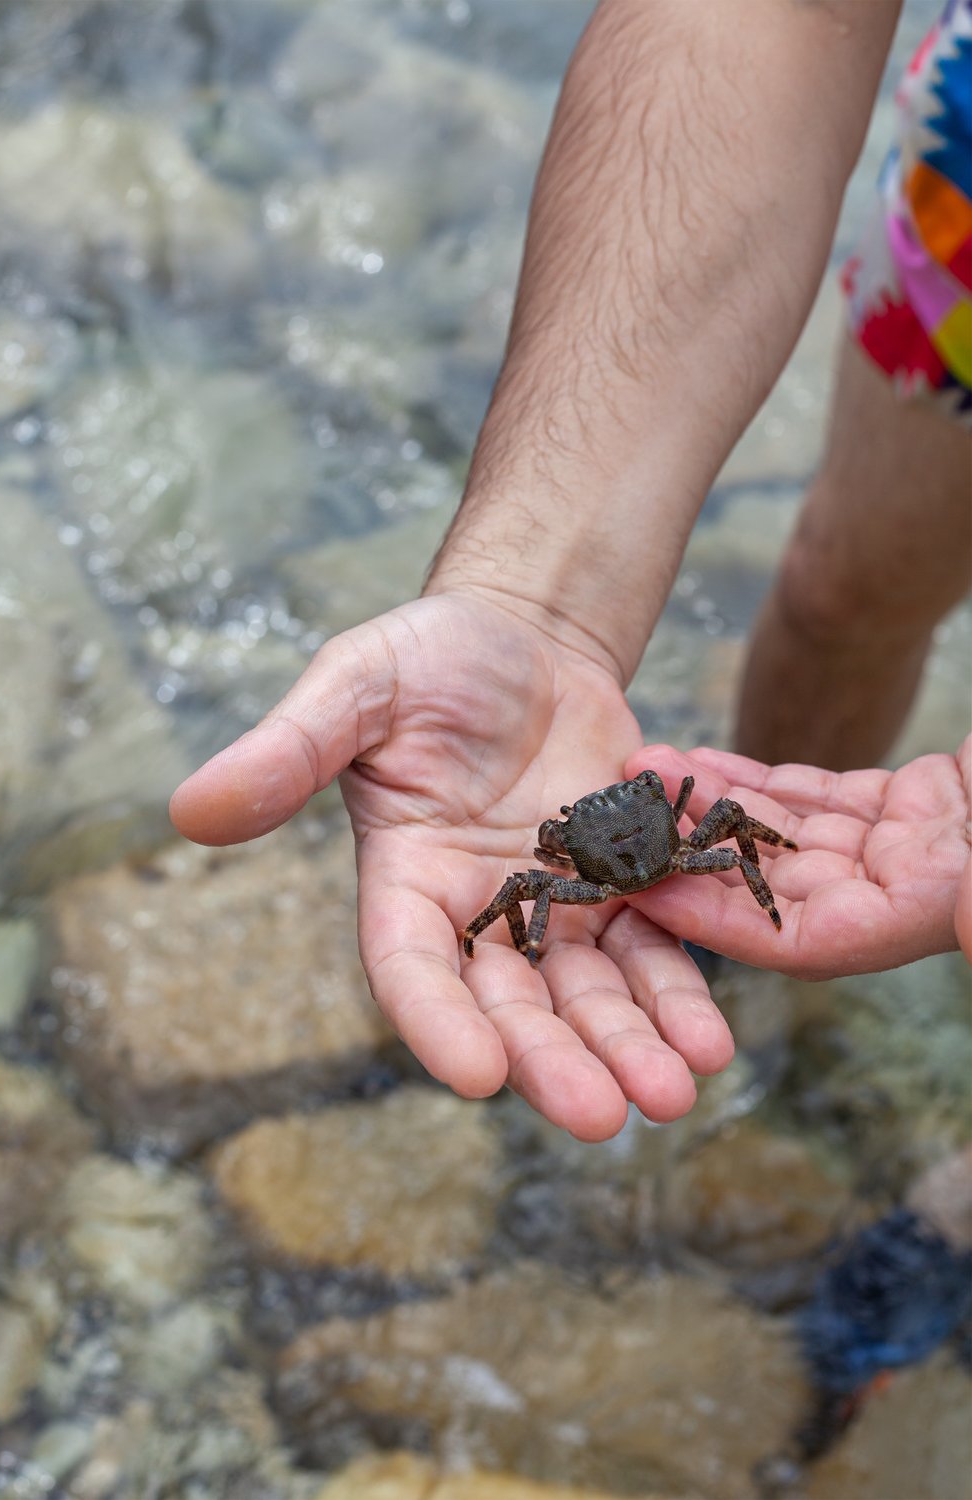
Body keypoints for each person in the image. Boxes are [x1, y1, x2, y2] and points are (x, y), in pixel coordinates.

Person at [170, 1, 971, 1142]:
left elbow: (524, 895)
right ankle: (760, 949)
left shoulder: (564, 865)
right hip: (967, 210)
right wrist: (527, 599)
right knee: (847, 590)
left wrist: (524, 923)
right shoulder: (673, 830)